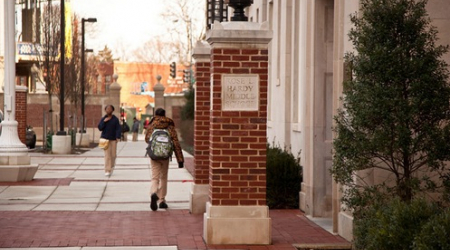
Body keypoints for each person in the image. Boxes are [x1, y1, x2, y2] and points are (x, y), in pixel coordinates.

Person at [145, 108, 184, 211]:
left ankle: (154, 193)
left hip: (154, 155)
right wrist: (180, 160)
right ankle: (162, 200)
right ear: (164, 115)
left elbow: (147, 139)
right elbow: (175, 142)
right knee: (163, 177)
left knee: (155, 177)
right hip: (165, 155)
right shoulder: (169, 126)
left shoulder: (152, 125)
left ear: (156, 114)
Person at [98, 105, 121, 177]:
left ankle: (111, 166)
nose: (108, 110)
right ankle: (107, 170)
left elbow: (118, 128)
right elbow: (100, 128)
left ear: (112, 110)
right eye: (107, 109)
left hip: (113, 139)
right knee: (107, 155)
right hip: (105, 139)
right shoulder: (103, 118)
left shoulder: (115, 119)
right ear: (105, 110)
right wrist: (104, 122)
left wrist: (118, 136)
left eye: (110, 109)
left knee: (113, 155)